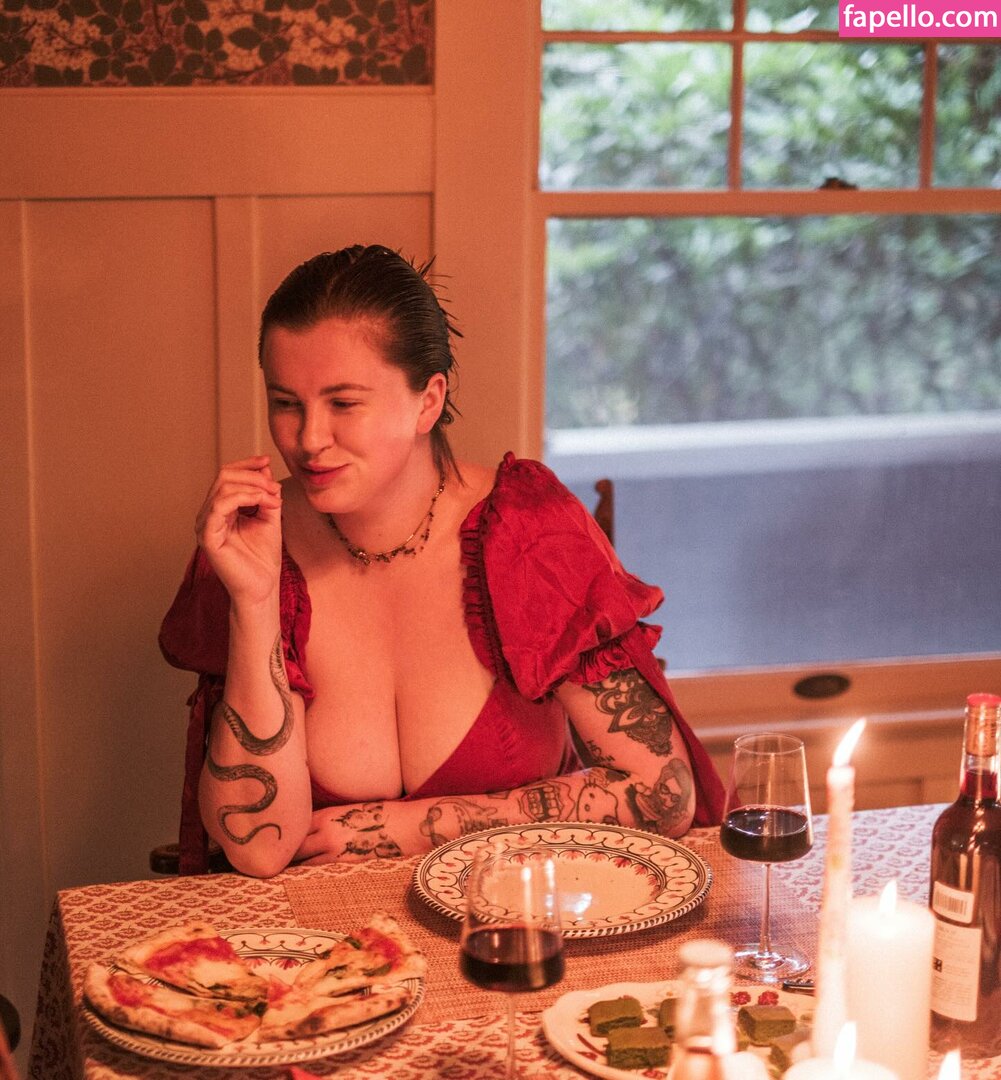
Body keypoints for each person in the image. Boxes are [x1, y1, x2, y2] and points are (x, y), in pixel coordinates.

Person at [159, 244, 726, 877]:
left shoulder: (527, 530)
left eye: (343, 403)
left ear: (428, 401)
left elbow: (662, 794)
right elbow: (258, 849)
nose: (309, 439)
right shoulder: (253, 540)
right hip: (318, 933)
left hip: (528, 916)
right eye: (286, 403)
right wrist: (256, 603)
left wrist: (409, 828)